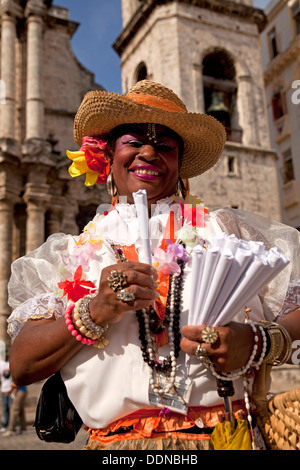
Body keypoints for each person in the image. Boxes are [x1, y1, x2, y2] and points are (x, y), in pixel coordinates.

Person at [7, 80, 300, 450]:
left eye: (165, 145)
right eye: (133, 142)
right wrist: (93, 311)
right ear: (107, 157)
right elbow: (22, 365)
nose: (149, 152)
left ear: (179, 165)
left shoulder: (227, 231)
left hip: (227, 439)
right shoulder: (69, 255)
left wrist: (258, 342)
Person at [0, 354, 13, 432]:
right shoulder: (1, 364)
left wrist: (11, 389)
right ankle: (5, 424)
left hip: (10, 389)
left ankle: (10, 425)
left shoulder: (10, 363)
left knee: (11, 408)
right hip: (3, 389)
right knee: (5, 408)